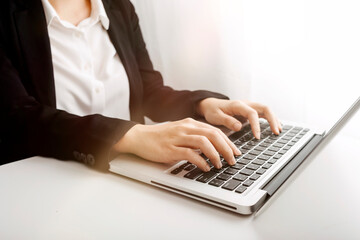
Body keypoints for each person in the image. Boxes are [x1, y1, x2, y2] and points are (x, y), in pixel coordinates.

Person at [0, 0, 282, 172]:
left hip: (130, 175)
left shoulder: (118, 6)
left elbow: (147, 89)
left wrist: (203, 104)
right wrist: (130, 136)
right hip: (47, 184)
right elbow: (19, 120)